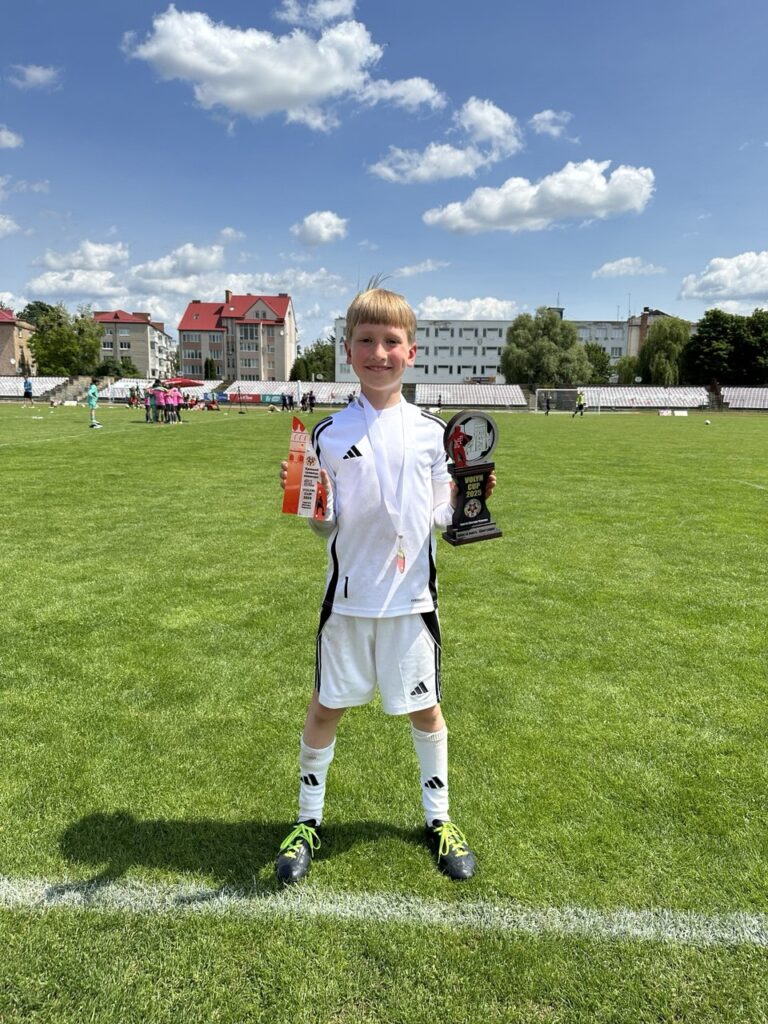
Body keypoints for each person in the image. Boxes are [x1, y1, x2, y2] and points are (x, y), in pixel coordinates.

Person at [275, 285, 495, 886]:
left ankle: (439, 819)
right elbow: (324, 525)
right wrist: (308, 499)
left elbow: (442, 515)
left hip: (411, 602)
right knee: (325, 707)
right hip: (348, 601)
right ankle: (307, 821)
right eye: (366, 341)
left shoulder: (435, 433)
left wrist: (470, 501)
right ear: (348, 350)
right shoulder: (327, 433)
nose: (379, 353)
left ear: (411, 352)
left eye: (391, 341)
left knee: (426, 709)